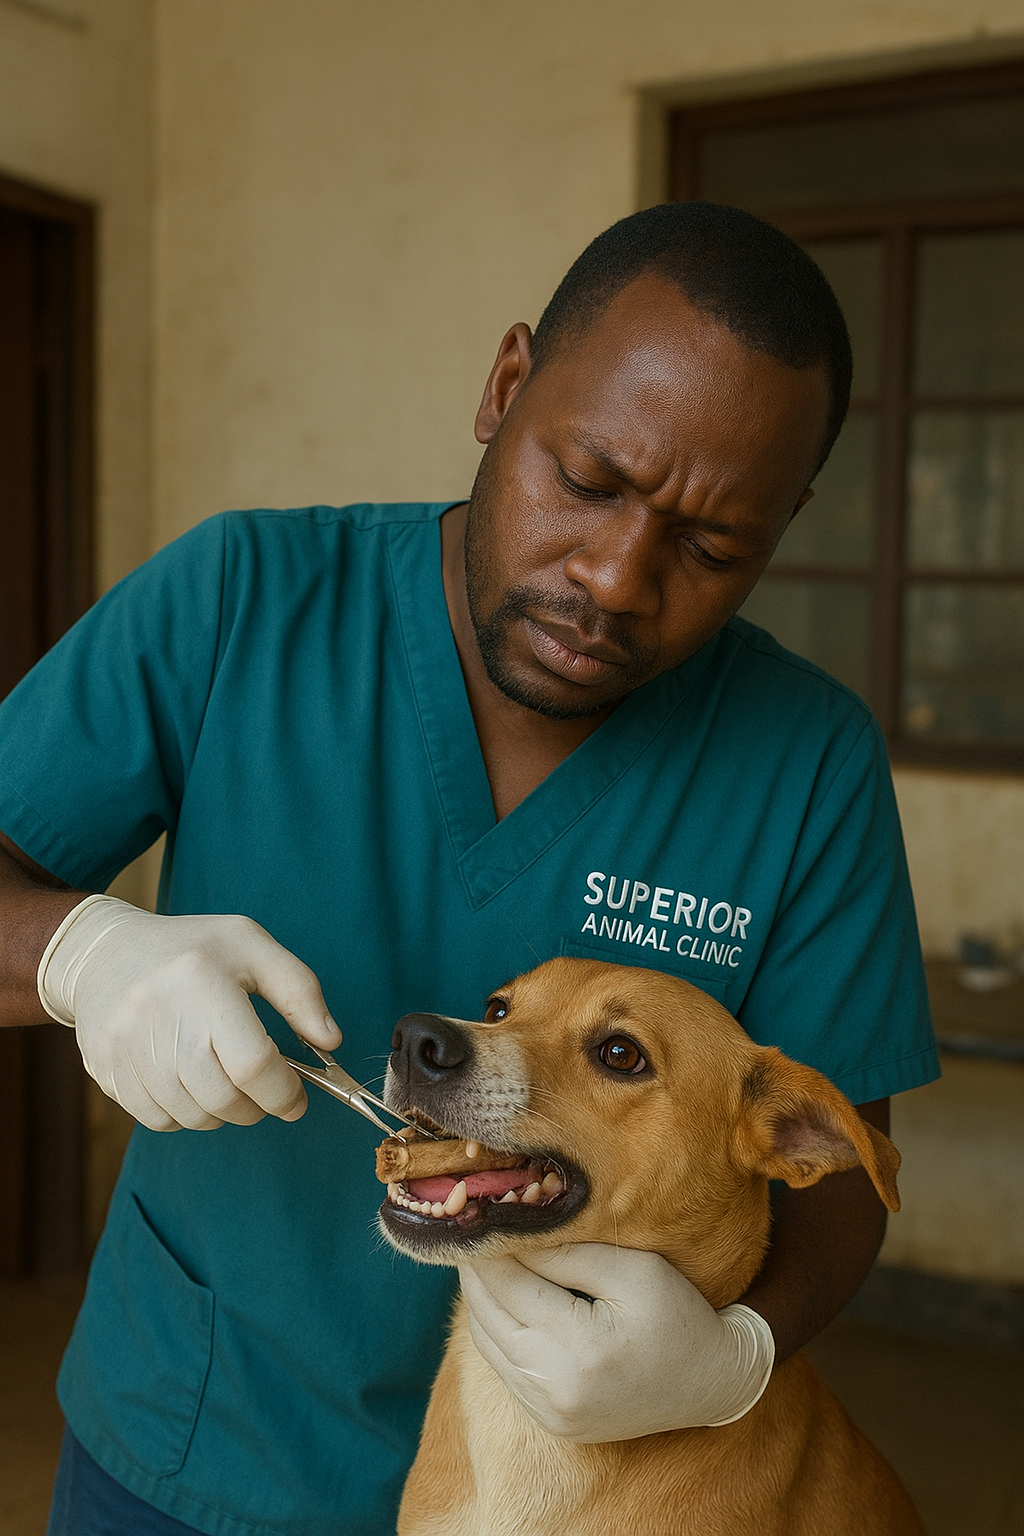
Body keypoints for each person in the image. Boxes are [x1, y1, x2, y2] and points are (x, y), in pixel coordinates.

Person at [0, 202, 937, 1536]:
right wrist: (77, 954)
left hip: (611, 1487)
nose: (616, 577)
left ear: (783, 525)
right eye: (589, 481)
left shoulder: (808, 762)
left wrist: (735, 1355)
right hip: (206, 1444)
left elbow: (841, 1166)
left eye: (711, 547)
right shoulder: (242, 600)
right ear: (505, 389)